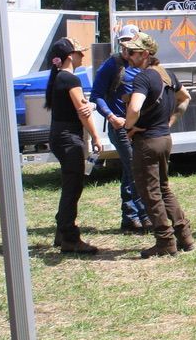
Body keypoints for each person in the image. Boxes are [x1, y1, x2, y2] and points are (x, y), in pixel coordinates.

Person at [122, 33, 193, 258]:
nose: (128, 56)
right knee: (164, 188)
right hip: (164, 139)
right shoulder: (167, 75)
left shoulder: (143, 78)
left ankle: (165, 241)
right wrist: (170, 121)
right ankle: (185, 236)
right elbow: (185, 97)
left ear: (145, 54)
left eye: (132, 52)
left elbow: (134, 108)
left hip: (148, 142)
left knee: (150, 191)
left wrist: (127, 127)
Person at [45, 37, 103, 254]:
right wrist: (96, 137)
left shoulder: (59, 78)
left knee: (70, 184)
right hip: (70, 138)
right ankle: (70, 237)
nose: (83, 55)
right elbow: (82, 113)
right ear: (70, 56)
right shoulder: (71, 80)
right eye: (80, 52)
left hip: (59, 136)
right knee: (73, 187)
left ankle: (62, 231)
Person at [90, 23, 149, 233]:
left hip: (137, 127)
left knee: (130, 169)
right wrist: (111, 116)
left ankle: (130, 216)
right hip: (121, 126)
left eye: (131, 44)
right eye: (124, 44)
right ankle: (142, 216)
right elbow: (96, 95)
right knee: (135, 168)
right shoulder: (111, 65)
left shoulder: (142, 64)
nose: (127, 49)